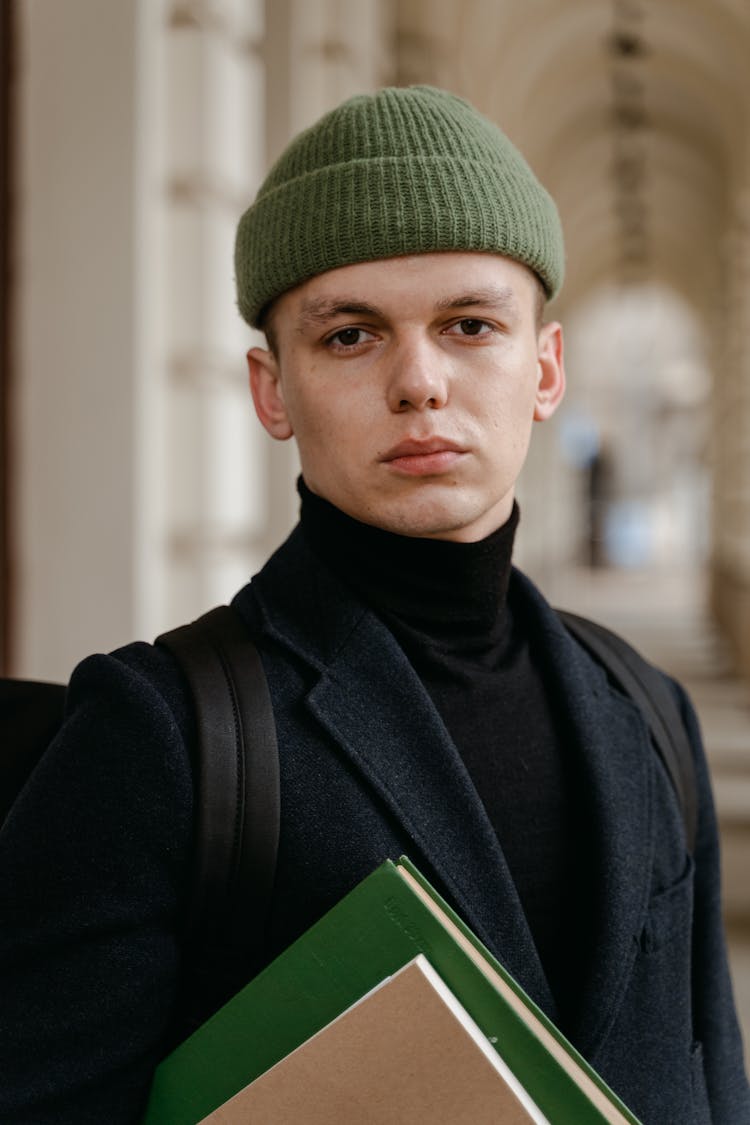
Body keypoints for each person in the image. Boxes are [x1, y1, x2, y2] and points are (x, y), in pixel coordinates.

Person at [1, 85, 747, 1125]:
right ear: (272, 391)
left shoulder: (649, 709)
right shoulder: (162, 736)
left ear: (545, 367)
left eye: (471, 324)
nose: (420, 381)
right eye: (351, 336)